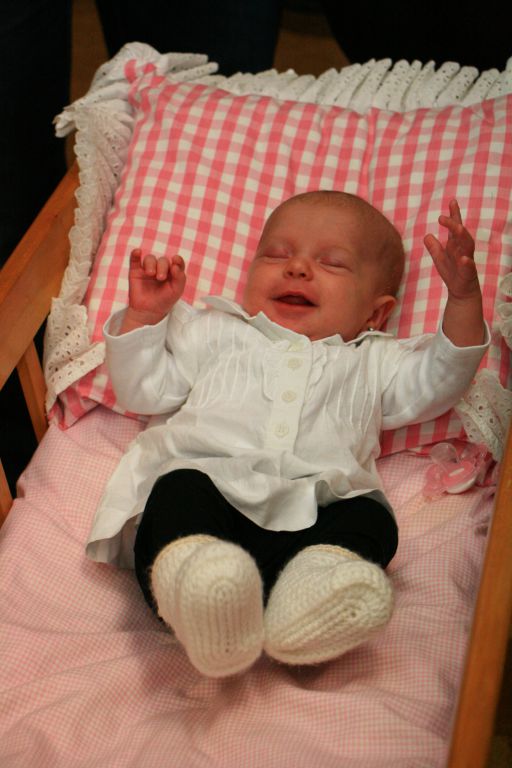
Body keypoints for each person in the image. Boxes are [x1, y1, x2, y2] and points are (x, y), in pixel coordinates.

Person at [86, 190, 488, 677]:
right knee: (176, 489)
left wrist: (463, 300)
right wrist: (145, 319)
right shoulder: (215, 330)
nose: (297, 268)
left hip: (317, 515)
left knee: (370, 518)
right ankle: (202, 593)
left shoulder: (375, 359)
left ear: (376, 313)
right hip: (212, 495)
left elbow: (443, 375)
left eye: (332, 263)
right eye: (276, 255)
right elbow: (143, 391)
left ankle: (310, 599)